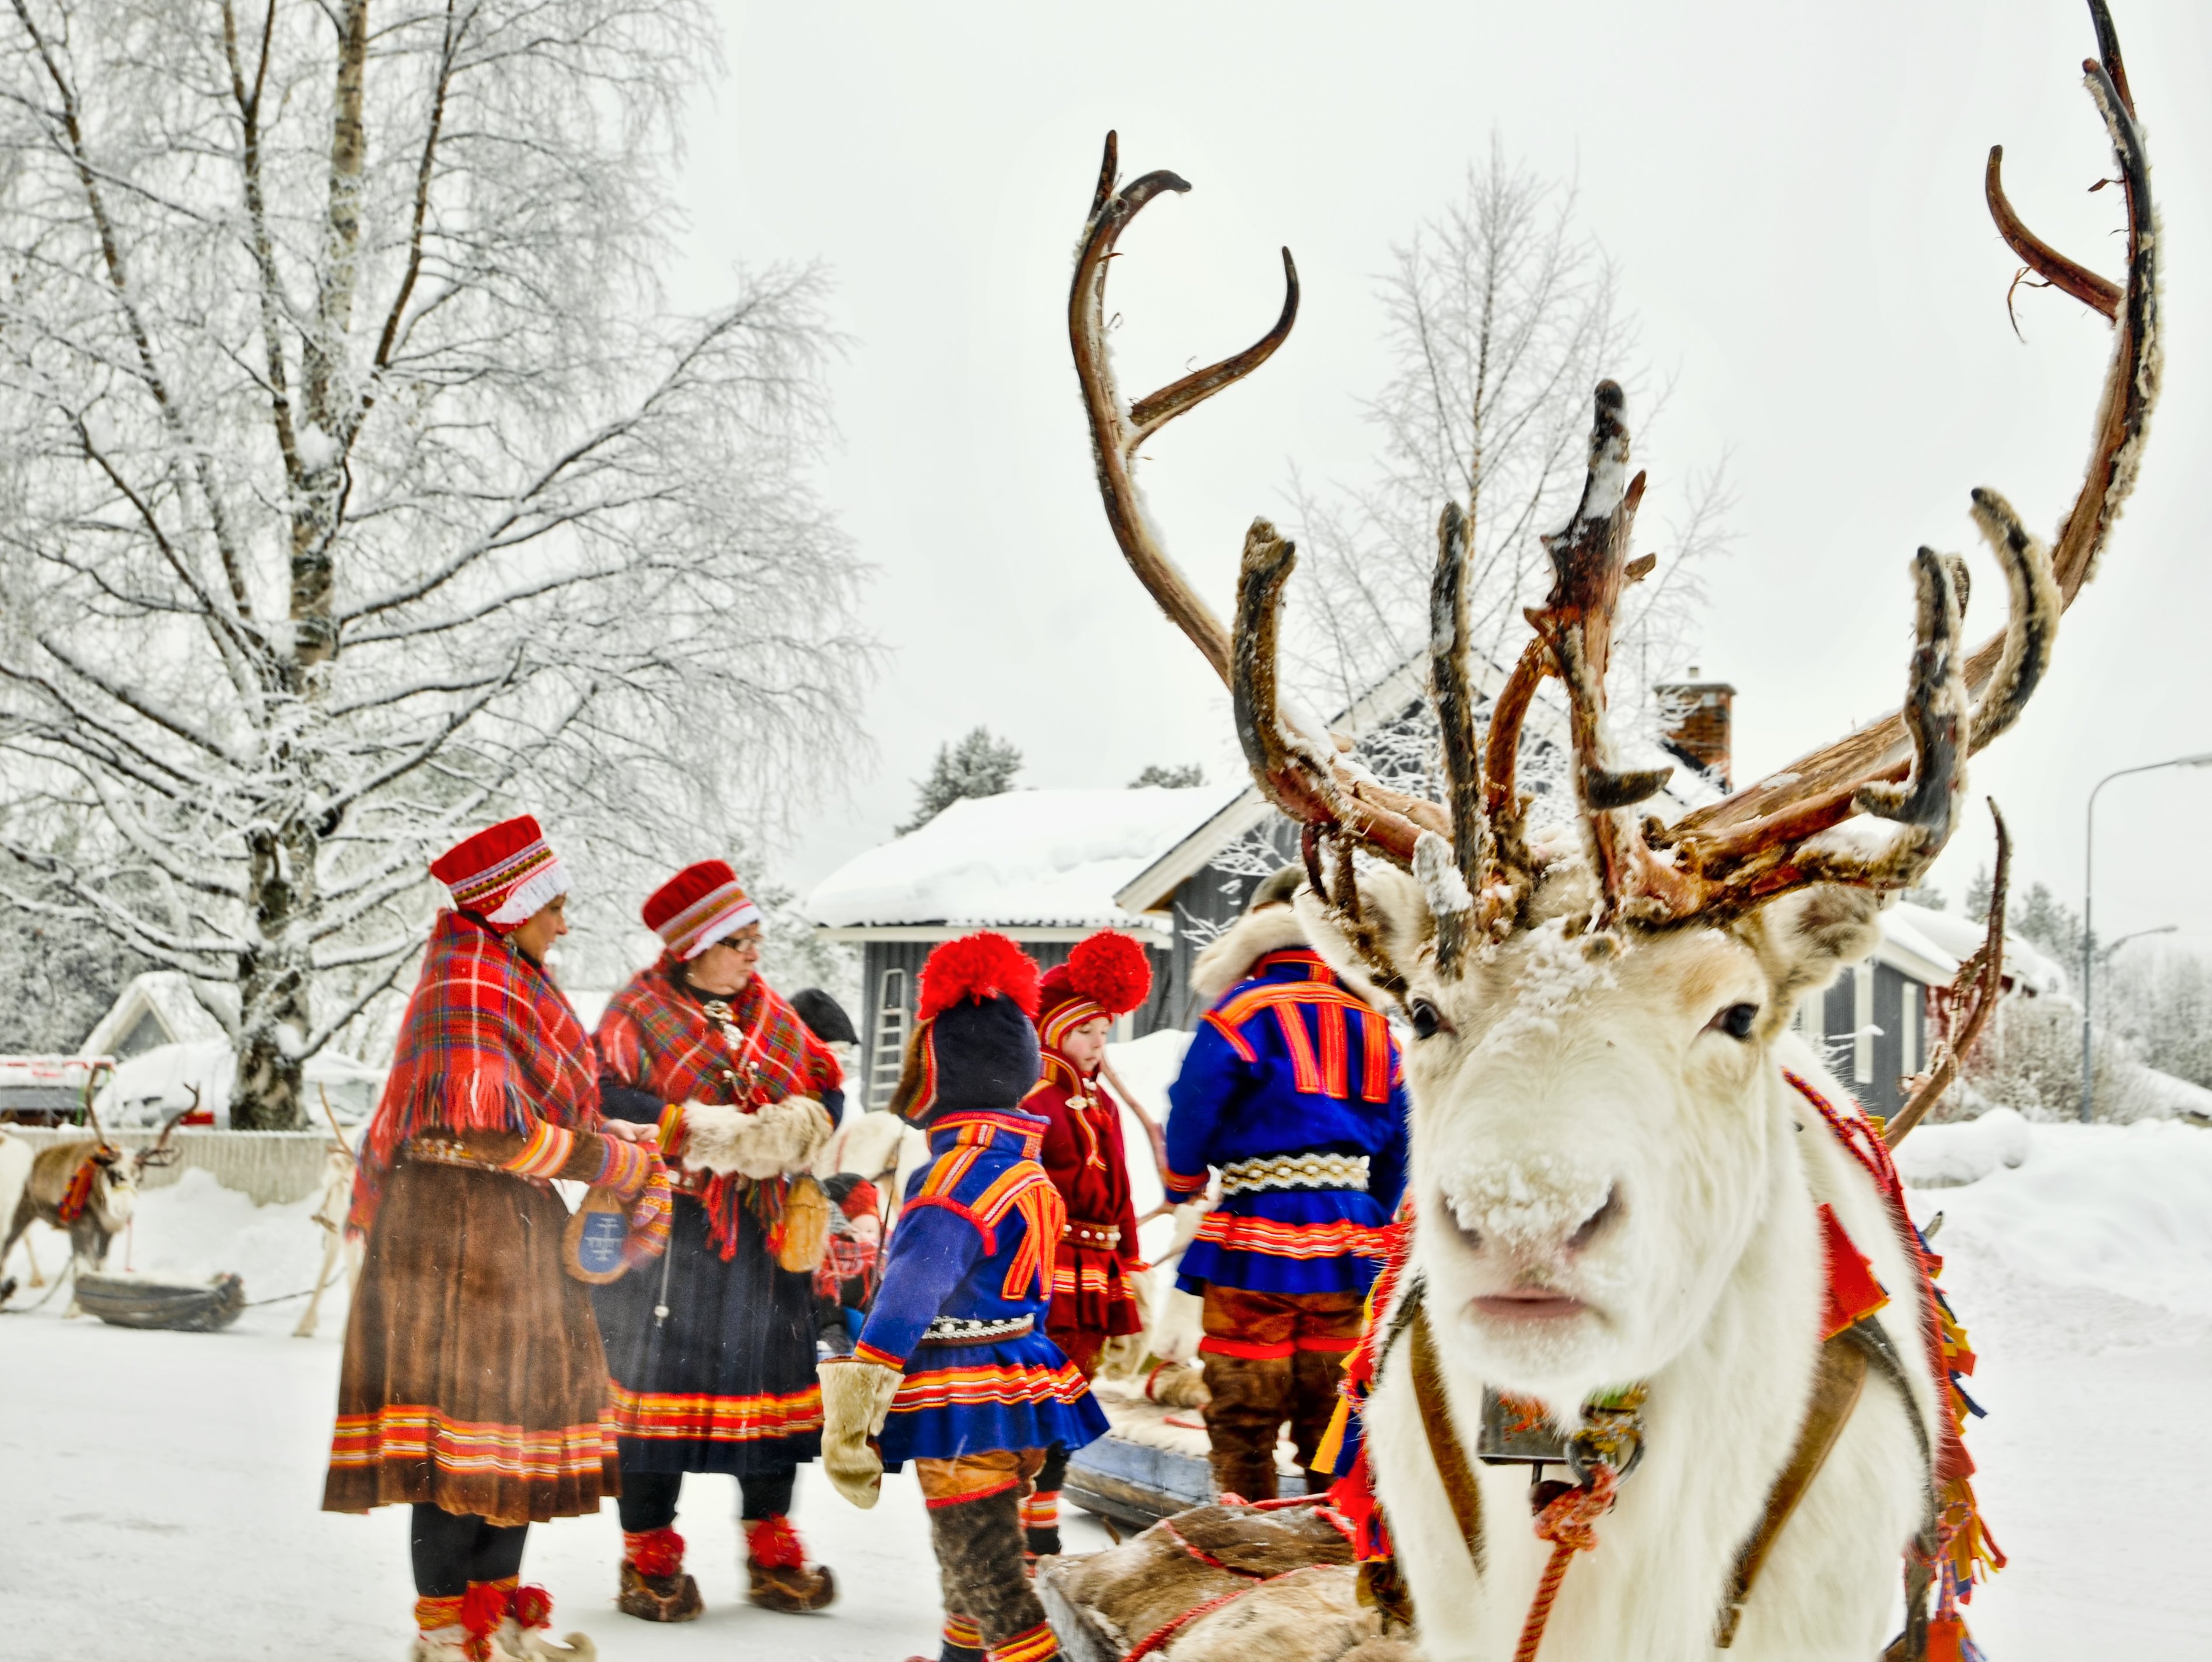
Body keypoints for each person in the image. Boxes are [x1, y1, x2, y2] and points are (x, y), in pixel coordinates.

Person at [323, 815, 664, 1662]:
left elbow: (536, 1125)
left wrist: (620, 1154)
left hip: (510, 1227)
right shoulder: (466, 983)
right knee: (459, 1443)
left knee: (513, 1442)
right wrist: (612, 1159)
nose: (563, 923)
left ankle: (497, 1625)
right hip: (450, 1233)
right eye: (552, 906)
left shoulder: (511, 978)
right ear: (509, 908)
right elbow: (487, 1132)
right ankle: (445, 1637)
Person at [817, 932, 1109, 1662]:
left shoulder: (949, 1182)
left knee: (986, 1569)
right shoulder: (1028, 1174)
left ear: (938, 1080)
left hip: (961, 1399)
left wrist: (855, 1405)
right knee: (975, 1553)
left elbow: (909, 1295)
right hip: (1020, 1384)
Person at [590, 860, 843, 1621]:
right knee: (656, 1399)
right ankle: (649, 1556)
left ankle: (771, 1549)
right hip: (671, 1234)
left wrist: (792, 1127)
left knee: (769, 1390)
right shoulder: (635, 1012)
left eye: (756, 941)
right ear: (693, 945)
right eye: (738, 941)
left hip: (762, 1237)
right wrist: (703, 1130)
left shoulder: (772, 1014)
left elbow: (826, 1085)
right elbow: (600, 1093)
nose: (751, 956)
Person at [1162, 867, 1410, 1503]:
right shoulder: (1375, 1023)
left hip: (1254, 1231)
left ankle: (1245, 1525)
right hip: (1350, 1239)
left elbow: (1194, 1103)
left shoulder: (1237, 1011)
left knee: (1245, 1394)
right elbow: (1402, 1134)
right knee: (1333, 1398)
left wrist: (1183, 1179)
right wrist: (1367, 1209)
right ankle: (1331, 1532)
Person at [1020, 930, 1152, 1558]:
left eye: (1104, 1033)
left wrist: (1129, 1259)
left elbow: (1123, 1189)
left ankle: (1042, 1515)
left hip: (1096, 1267)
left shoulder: (1101, 1105)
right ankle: (1026, 1524)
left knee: (1073, 1396)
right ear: (1051, 1034)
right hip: (1051, 1267)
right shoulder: (1035, 1101)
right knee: (1042, 1396)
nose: (1099, 1045)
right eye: (1085, 1033)